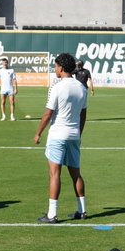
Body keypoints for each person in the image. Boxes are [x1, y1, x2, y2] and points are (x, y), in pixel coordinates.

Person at [32, 53, 89, 223]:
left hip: (57, 134)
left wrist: (38, 133)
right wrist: (79, 133)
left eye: (55, 66)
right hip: (74, 134)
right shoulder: (81, 87)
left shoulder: (57, 87)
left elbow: (48, 113)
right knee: (76, 174)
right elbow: (83, 114)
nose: (54, 69)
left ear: (61, 68)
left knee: (54, 174)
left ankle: (52, 214)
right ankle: (82, 210)